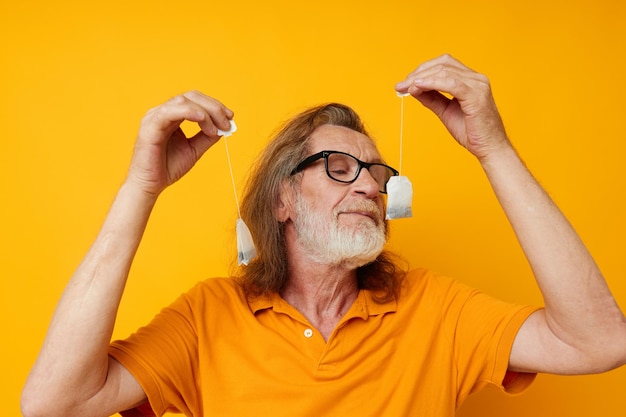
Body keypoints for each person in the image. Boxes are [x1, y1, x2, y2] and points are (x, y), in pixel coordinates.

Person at [21, 55, 626, 417]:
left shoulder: (435, 310)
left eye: (377, 172)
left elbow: (599, 342)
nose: (368, 187)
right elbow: (54, 404)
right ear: (281, 199)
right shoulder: (208, 317)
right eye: (339, 167)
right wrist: (141, 188)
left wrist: (492, 148)